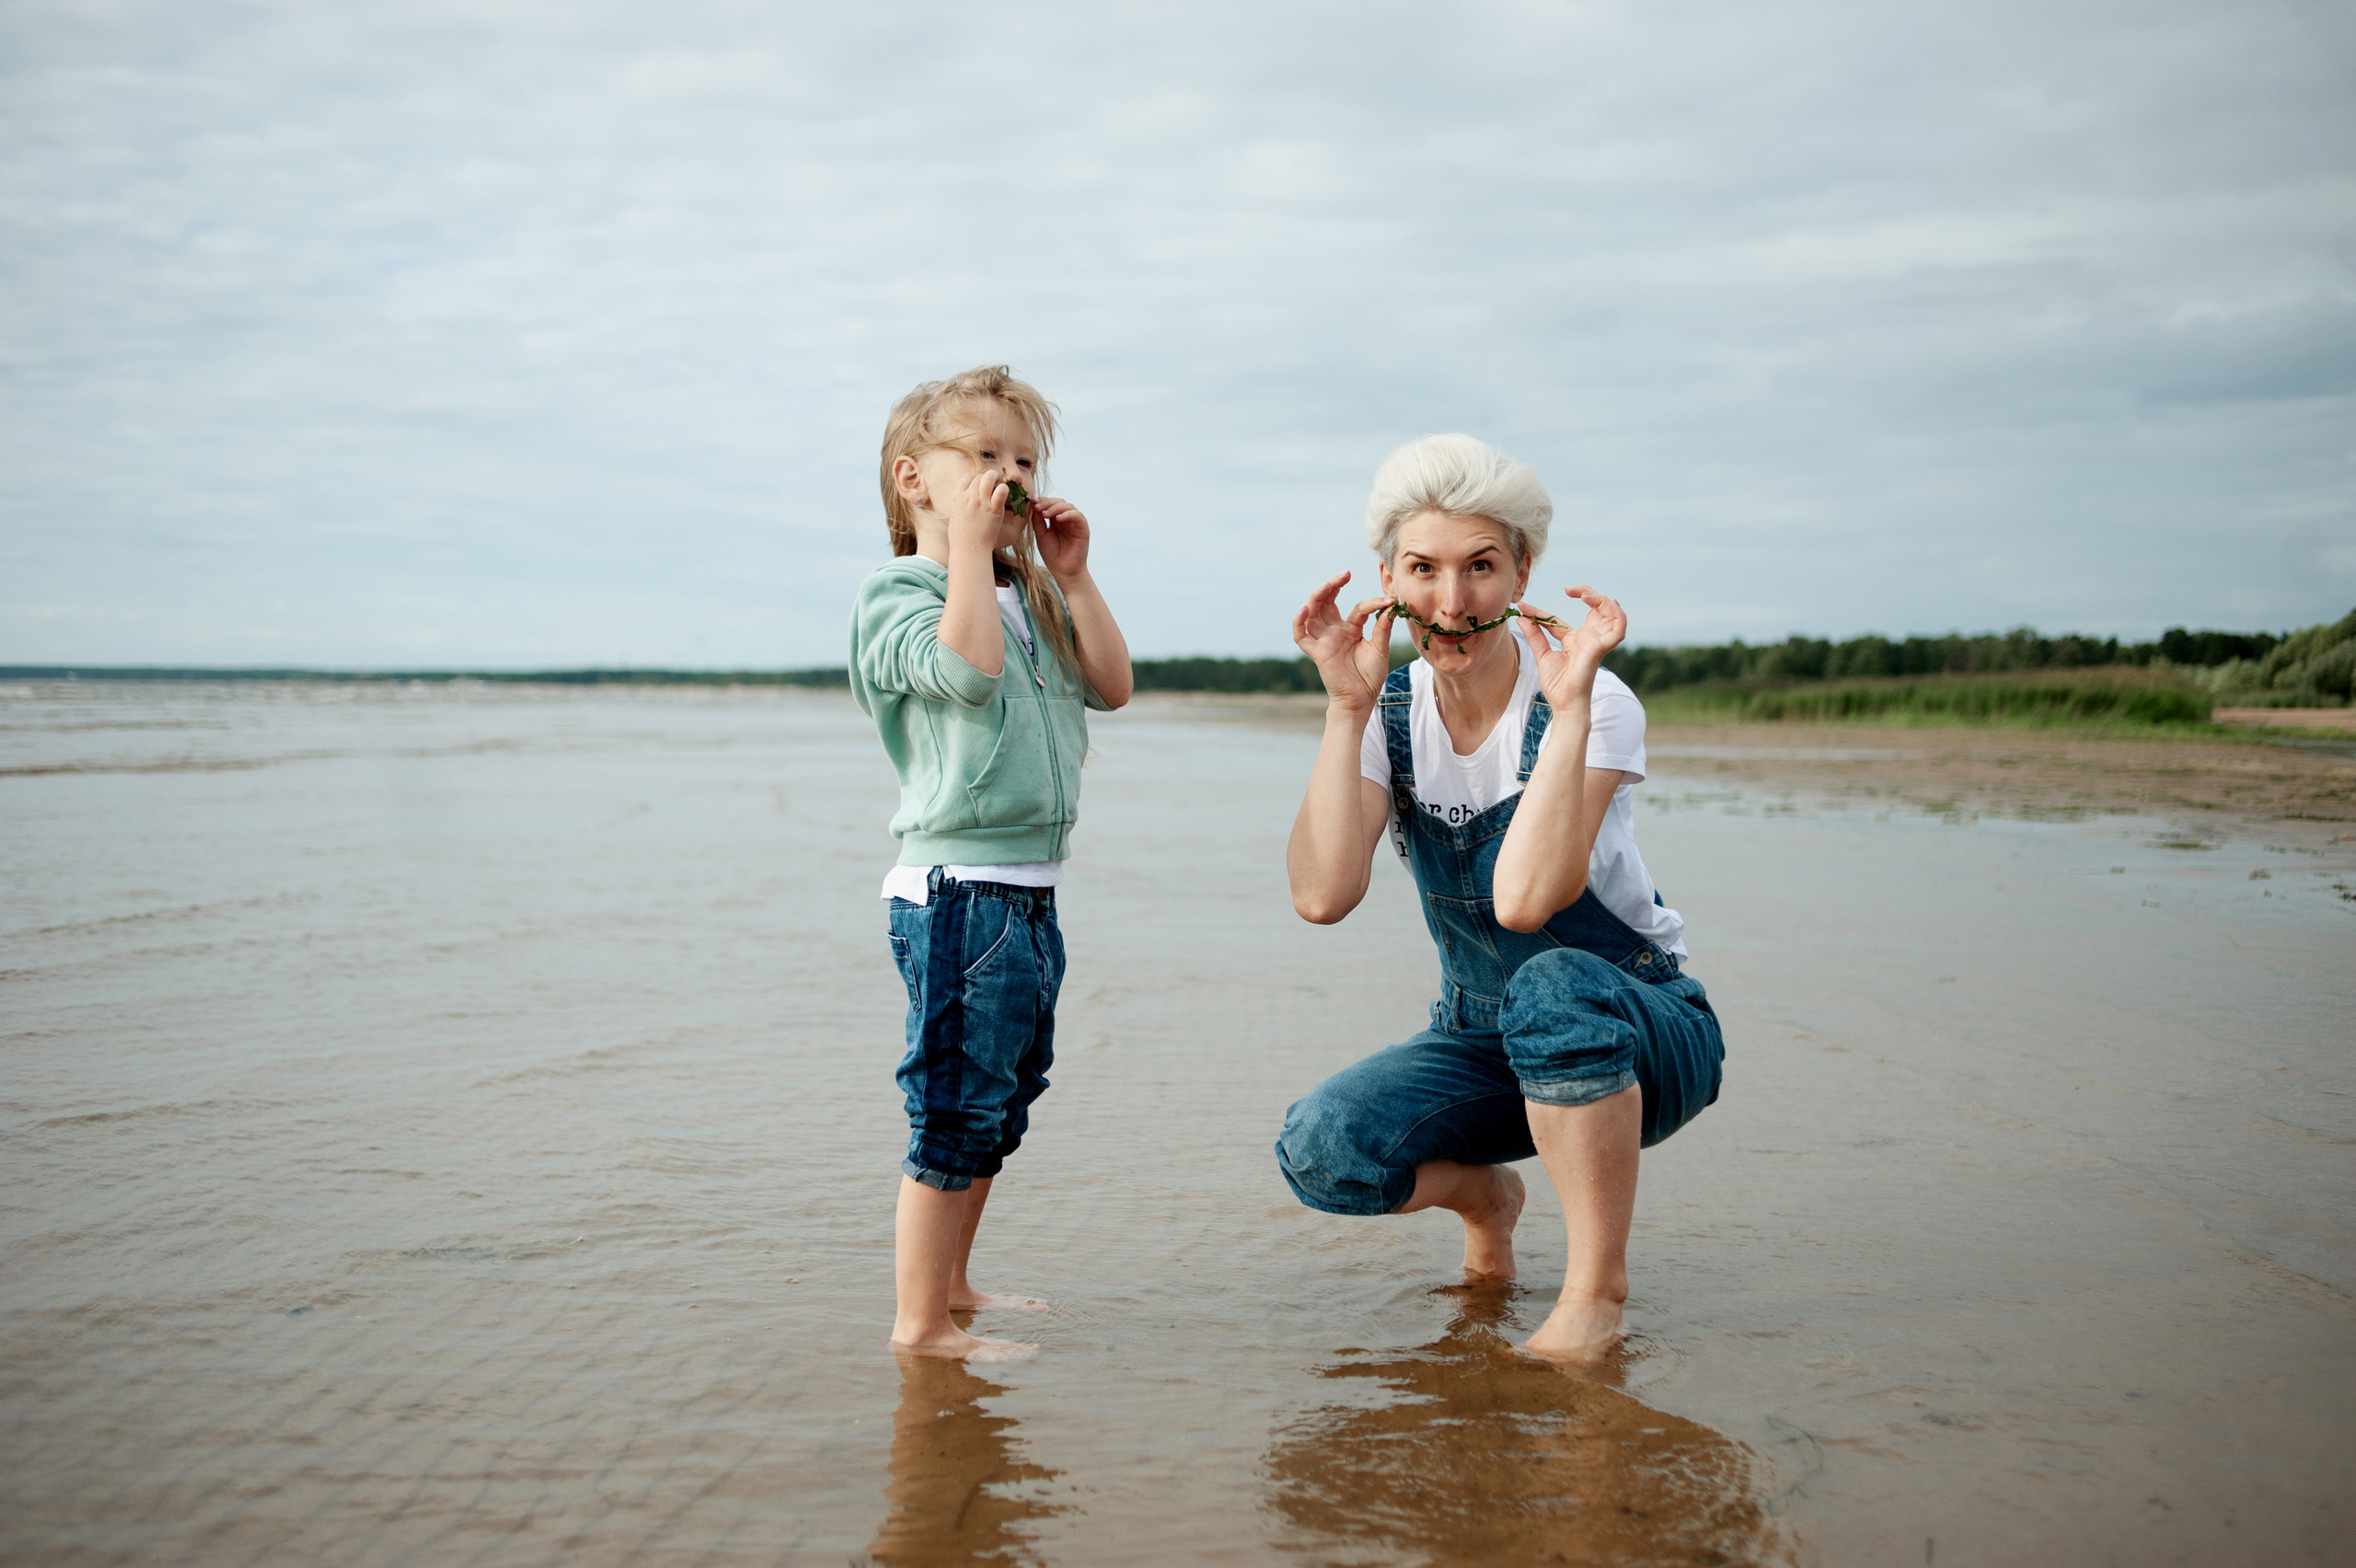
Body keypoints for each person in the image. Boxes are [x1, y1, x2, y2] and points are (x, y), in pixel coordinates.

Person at [1276, 433, 1723, 1363]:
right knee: (1325, 1146)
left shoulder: (1591, 702)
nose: (1451, 601)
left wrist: (1563, 717)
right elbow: (1321, 895)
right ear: (1387, 580)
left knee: (1554, 986)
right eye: (1423, 569)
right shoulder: (1385, 713)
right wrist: (1344, 709)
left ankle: (1594, 1294)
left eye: (1481, 567)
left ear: (1523, 571)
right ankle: (1489, 1200)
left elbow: (1525, 900)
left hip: (1642, 1031)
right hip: (1481, 1036)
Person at [849, 365, 1134, 1360]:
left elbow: (1112, 685)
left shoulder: (1029, 596)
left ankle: (955, 1285)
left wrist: (1075, 575)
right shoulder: (899, 594)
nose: (1010, 477)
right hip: (957, 892)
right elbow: (963, 677)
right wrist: (969, 551)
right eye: (984, 458)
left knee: (1005, 1098)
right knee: (953, 1107)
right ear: (913, 479)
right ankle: (919, 1324)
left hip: (1029, 892)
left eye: (1023, 460)